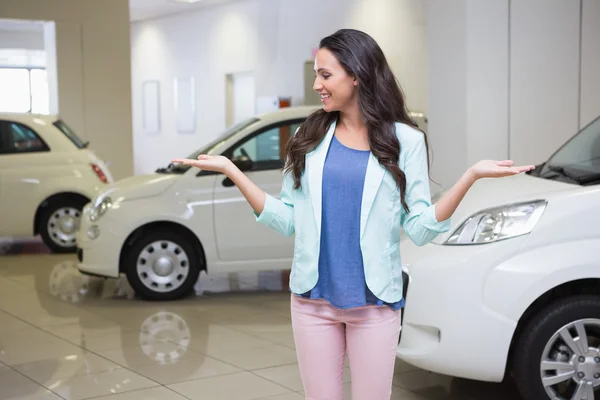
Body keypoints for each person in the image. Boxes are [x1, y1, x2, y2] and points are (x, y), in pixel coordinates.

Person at [173, 29, 534, 400]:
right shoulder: (307, 137)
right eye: (317, 74)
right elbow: (289, 220)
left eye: (325, 75)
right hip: (312, 302)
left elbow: (421, 228)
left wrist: (470, 177)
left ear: (357, 74)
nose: (316, 85)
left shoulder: (404, 141)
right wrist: (233, 171)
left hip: (374, 304)